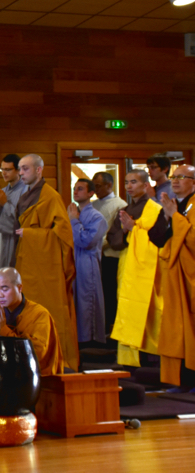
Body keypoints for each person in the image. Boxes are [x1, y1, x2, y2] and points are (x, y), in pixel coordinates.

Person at [13, 154, 79, 370]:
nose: (21, 173)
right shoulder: (28, 194)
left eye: (25, 169)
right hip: (29, 261)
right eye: (20, 169)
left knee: (49, 312)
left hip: (46, 268)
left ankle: (57, 360)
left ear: (39, 170)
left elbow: (63, 234)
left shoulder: (50, 196)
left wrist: (31, 235)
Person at [108, 169, 168, 366]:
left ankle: (151, 362)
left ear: (145, 185)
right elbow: (113, 240)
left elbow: (160, 241)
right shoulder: (124, 210)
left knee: (149, 312)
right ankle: (129, 362)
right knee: (126, 310)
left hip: (147, 271)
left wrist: (135, 230)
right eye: (126, 182)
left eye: (134, 182)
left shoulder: (155, 210)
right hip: (127, 268)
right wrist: (126, 231)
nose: (129, 186)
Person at [0, 267, 64, 376]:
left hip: (37, 378)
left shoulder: (40, 315)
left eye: (5, 289)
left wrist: (3, 329)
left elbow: (37, 354)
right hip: (5, 376)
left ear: (19, 288)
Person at [150, 165, 195, 389]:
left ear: (194, 182)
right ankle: (180, 380)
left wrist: (174, 217)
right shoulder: (172, 205)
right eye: (173, 177)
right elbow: (157, 238)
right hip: (175, 277)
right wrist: (169, 218)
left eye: (181, 177)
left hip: (191, 278)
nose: (175, 181)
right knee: (175, 329)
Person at [69, 179, 108, 346]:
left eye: (80, 189)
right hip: (72, 261)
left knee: (86, 300)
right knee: (74, 300)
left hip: (87, 262)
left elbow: (86, 241)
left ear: (91, 193)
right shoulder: (73, 212)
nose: (76, 192)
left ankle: (90, 340)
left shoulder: (96, 217)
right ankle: (76, 338)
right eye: (74, 189)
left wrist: (73, 220)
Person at [92, 171, 127, 331]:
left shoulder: (119, 204)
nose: (95, 189)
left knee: (109, 291)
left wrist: (97, 245)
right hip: (93, 253)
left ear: (109, 185)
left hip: (110, 255)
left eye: (98, 186)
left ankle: (111, 327)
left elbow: (115, 231)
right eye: (94, 186)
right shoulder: (93, 204)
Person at [0, 154, 26, 270]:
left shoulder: (26, 192)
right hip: (2, 241)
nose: (4, 173)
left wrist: (4, 204)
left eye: (8, 169)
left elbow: (24, 220)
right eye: (2, 169)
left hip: (18, 242)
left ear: (18, 170)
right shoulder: (2, 192)